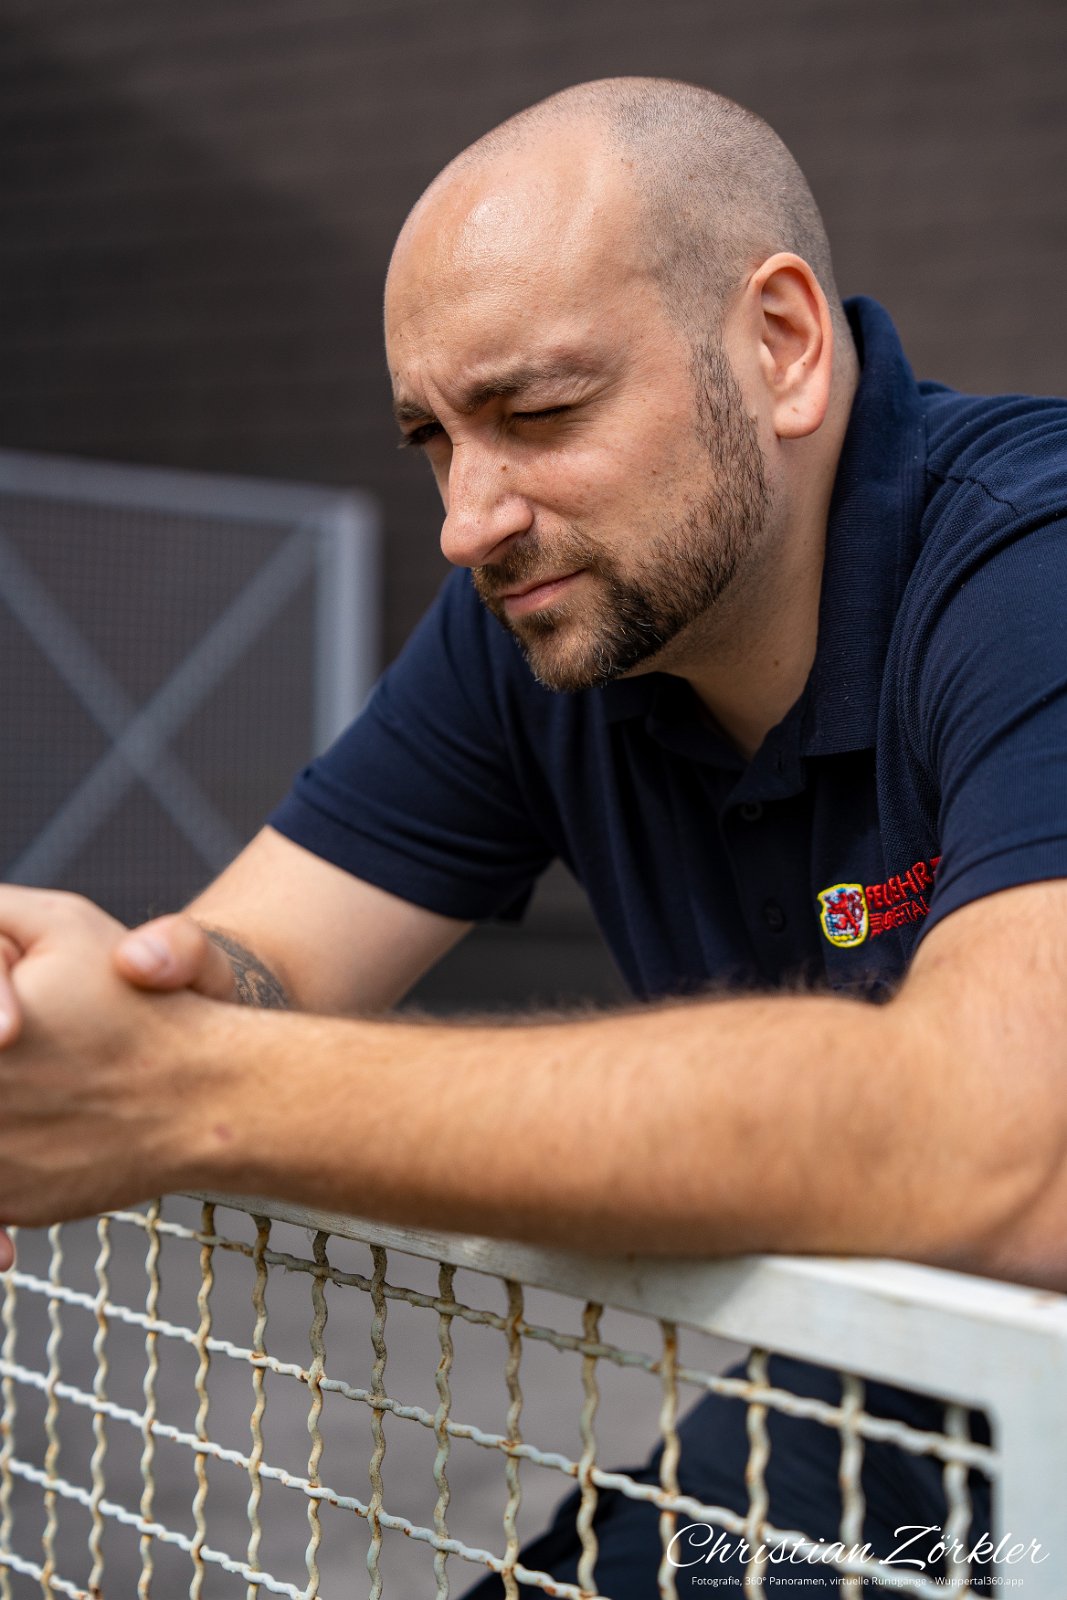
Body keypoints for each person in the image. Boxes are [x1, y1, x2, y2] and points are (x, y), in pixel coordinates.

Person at [0, 77, 1065, 1594]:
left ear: (781, 344)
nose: (468, 520)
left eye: (539, 413)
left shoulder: (1032, 559)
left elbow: (1005, 1145)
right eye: (433, 440)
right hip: (898, 1393)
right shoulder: (551, 615)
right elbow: (256, 958)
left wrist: (184, 1091)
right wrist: (60, 1016)